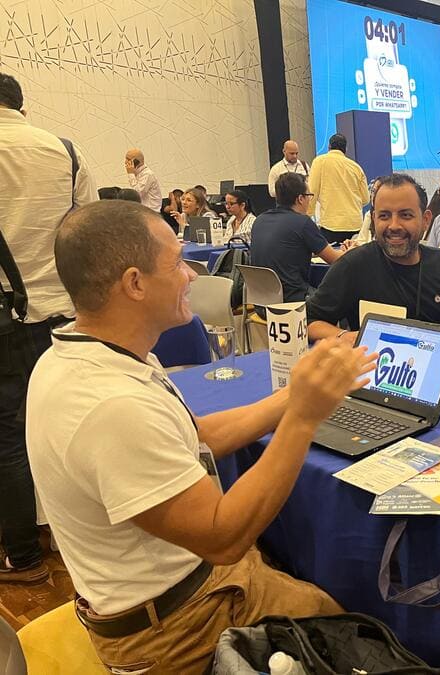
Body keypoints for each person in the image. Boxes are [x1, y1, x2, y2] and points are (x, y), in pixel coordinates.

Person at [27, 200, 375, 673]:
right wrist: (303, 418)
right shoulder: (111, 404)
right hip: (176, 628)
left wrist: (295, 396)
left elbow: (197, 435)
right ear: (134, 284)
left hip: (187, 588)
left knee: (319, 590)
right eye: (176, 264)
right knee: (347, 633)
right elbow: (222, 537)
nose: (191, 275)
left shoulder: (87, 355)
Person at [0, 71, 96, 584]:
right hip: (65, 312)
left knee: (8, 437)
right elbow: (90, 232)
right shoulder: (64, 150)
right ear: (21, 106)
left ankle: (23, 556)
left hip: (3, 319)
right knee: (65, 424)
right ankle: (71, 539)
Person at [306, 174, 440, 342]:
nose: (394, 226)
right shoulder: (353, 265)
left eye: (406, 215)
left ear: (426, 220)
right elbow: (309, 321)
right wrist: (346, 336)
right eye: (384, 216)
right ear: (374, 219)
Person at [251, 173, 343, 301]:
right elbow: (336, 260)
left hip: (261, 302)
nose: (309, 200)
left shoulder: (259, 220)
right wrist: (352, 251)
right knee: (341, 299)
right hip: (293, 300)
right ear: (300, 198)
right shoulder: (303, 223)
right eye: (309, 196)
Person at [306, 133, 369, 244]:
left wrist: (307, 215)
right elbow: (365, 199)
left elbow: (312, 192)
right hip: (355, 224)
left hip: (331, 225)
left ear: (329, 147)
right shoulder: (356, 167)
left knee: (331, 255)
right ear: (346, 149)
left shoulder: (319, 162)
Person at [343, 177, 384, 249]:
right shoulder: (369, 214)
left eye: (378, 191)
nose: (374, 195)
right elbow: (361, 241)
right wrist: (352, 244)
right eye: (373, 191)